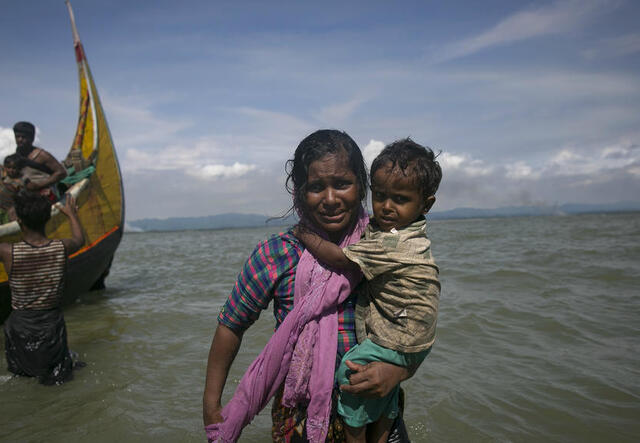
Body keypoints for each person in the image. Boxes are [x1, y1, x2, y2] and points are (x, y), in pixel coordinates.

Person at [203, 130, 415, 443]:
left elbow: (416, 323)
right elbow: (231, 324)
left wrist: (398, 372)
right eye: (316, 187)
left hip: (378, 414)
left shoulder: (384, 247)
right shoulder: (277, 253)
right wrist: (211, 405)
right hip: (300, 416)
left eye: (342, 184)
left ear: (362, 187)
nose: (330, 199)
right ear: (298, 194)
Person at [294, 139, 442, 443]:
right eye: (381, 196)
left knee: (352, 374)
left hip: (401, 335)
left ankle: (355, 436)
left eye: (399, 200)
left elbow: (338, 258)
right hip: (419, 335)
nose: (387, 207)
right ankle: (384, 429)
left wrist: (304, 233)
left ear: (426, 204)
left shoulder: (389, 242)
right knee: (384, 393)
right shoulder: (412, 232)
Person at [0, 192, 84, 385]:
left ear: (19, 221)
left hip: (19, 325)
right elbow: (79, 240)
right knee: (56, 380)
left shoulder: (8, 251)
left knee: (22, 377)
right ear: (47, 218)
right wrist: (71, 214)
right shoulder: (61, 247)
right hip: (50, 323)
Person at [13, 121, 67, 200]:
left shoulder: (42, 155)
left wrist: (39, 185)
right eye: (17, 137)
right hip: (27, 195)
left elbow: (61, 172)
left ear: (32, 138)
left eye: (23, 137)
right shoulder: (17, 155)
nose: (20, 139)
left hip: (46, 195)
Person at [0, 154, 26, 224]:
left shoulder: (21, 181)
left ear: (18, 168)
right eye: (8, 168)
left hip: (14, 211)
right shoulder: (4, 179)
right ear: (5, 167)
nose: (11, 170)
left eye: (14, 168)